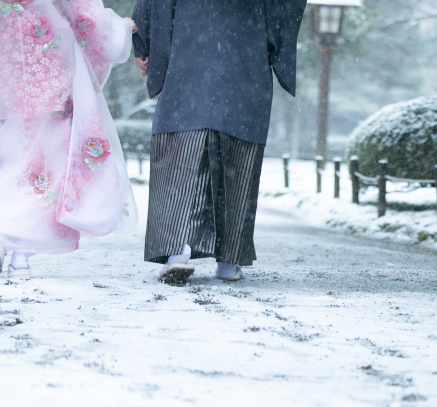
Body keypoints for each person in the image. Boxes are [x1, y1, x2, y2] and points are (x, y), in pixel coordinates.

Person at [0, 0, 138, 280]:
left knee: (5, 155)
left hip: (0, 62)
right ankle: (20, 255)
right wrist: (119, 30)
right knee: (42, 167)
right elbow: (85, 15)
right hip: (47, 63)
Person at [131, 0, 307, 284]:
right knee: (238, 157)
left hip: (188, 62)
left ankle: (178, 251)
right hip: (243, 64)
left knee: (180, 155)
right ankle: (229, 259)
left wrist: (145, 43)